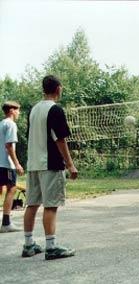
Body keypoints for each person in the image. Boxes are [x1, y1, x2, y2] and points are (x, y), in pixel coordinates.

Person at [22, 75, 78, 260]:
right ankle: (51, 247)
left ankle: (28, 245)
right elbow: (60, 139)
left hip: (33, 164)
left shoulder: (33, 109)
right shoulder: (55, 110)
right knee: (50, 205)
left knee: (32, 204)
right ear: (58, 89)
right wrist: (70, 164)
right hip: (50, 164)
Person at [0, 101, 25, 233]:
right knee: (12, 189)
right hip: (6, 164)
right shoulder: (11, 124)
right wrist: (17, 164)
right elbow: (9, 146)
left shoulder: (1, 123)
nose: (19, 113)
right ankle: (6, 223)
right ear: (11, 110)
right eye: (17, 110)